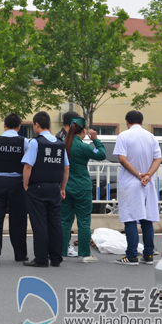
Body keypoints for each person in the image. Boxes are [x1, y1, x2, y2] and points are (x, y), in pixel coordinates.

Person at [113, 111, 162, 266]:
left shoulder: (124, 136)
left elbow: (122, 158)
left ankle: (132, 255)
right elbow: (158, 158)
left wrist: (138, 174)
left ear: (127, 122)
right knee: (146, 219)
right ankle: (148, 254)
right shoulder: (151, 137)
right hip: (147, 183)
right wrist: (148, 175)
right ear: (142, 122)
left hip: (131, 182)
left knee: (130, 218)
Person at [22, 111, 69, 267]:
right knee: (55, 222)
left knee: (39, 223)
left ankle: (41, 259)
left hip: (38, 187)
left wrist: (26, 184)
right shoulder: (60, 143)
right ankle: (56, 258)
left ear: (36, 125)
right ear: (49, 125)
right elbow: (66, 168)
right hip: (54, 188)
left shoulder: (36, 142)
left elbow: (28, 165)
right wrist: (62, 187)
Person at [0, 113, 29, 264]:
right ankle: (20, 254)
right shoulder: (25, 142)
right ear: (19, 127)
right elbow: (28, 165)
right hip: (17, 183)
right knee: (18, 220)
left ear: (4, 125)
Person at [61, 117, 106, 263]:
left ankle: (61, 250)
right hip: (82, 187)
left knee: (64, 221)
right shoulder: (84, 146)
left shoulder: (63, 144)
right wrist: (96, 139)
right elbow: (101, 154)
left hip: (65, 186)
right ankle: (85, 254)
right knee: (84, 222)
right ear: (84, 130)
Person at [54, 110, 81, 257]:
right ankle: (63, 246)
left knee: (64, 217)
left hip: (64, 180)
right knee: (66, 217)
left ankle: (61, 245)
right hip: (66, 181)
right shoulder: (64, 138)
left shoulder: (59, 137)